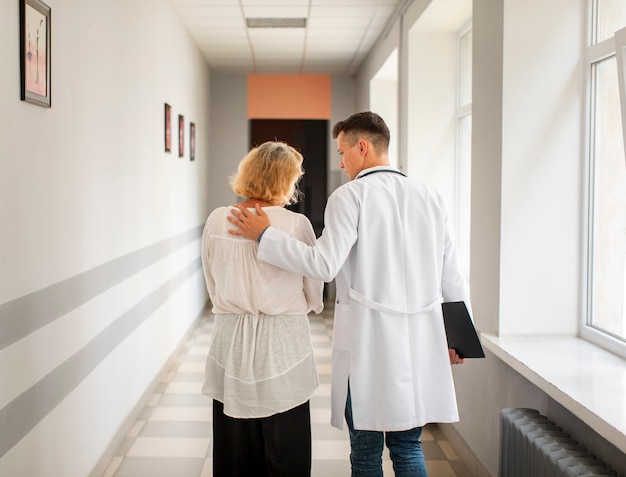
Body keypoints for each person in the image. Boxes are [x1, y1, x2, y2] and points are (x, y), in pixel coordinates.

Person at [227, 112, 469, 477]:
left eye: (342, 152)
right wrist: (458, 338)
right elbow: (451, 273)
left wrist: (266, 235)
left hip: (368, 345)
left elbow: (323, 266)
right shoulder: (431, 196)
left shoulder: (350, 196)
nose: (340, 163)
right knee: (408, 447)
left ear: (363, 146)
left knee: (367, 451)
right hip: (421, 340)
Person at [200, 141, 324, 477]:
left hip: (232, 345)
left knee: (235, 456)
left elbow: (213, 285)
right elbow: (314, 296)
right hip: (283, 346)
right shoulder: (296, 226)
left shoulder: (216, 221)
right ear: (284, 180)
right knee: (286, 457)